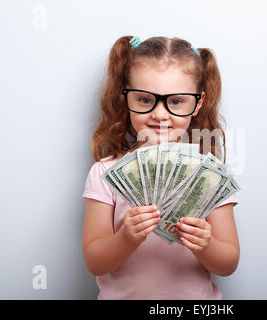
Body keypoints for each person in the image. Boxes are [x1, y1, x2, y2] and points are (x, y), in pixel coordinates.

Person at [81, 36, 240, 299]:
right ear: (126, 98)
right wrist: (127, 238)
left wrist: (206, 245)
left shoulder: (211, 177)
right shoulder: (104, 173)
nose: (160, 114)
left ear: (197, 104)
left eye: (176, 101)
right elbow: (94, 261)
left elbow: (228, 263)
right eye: (145, 99)